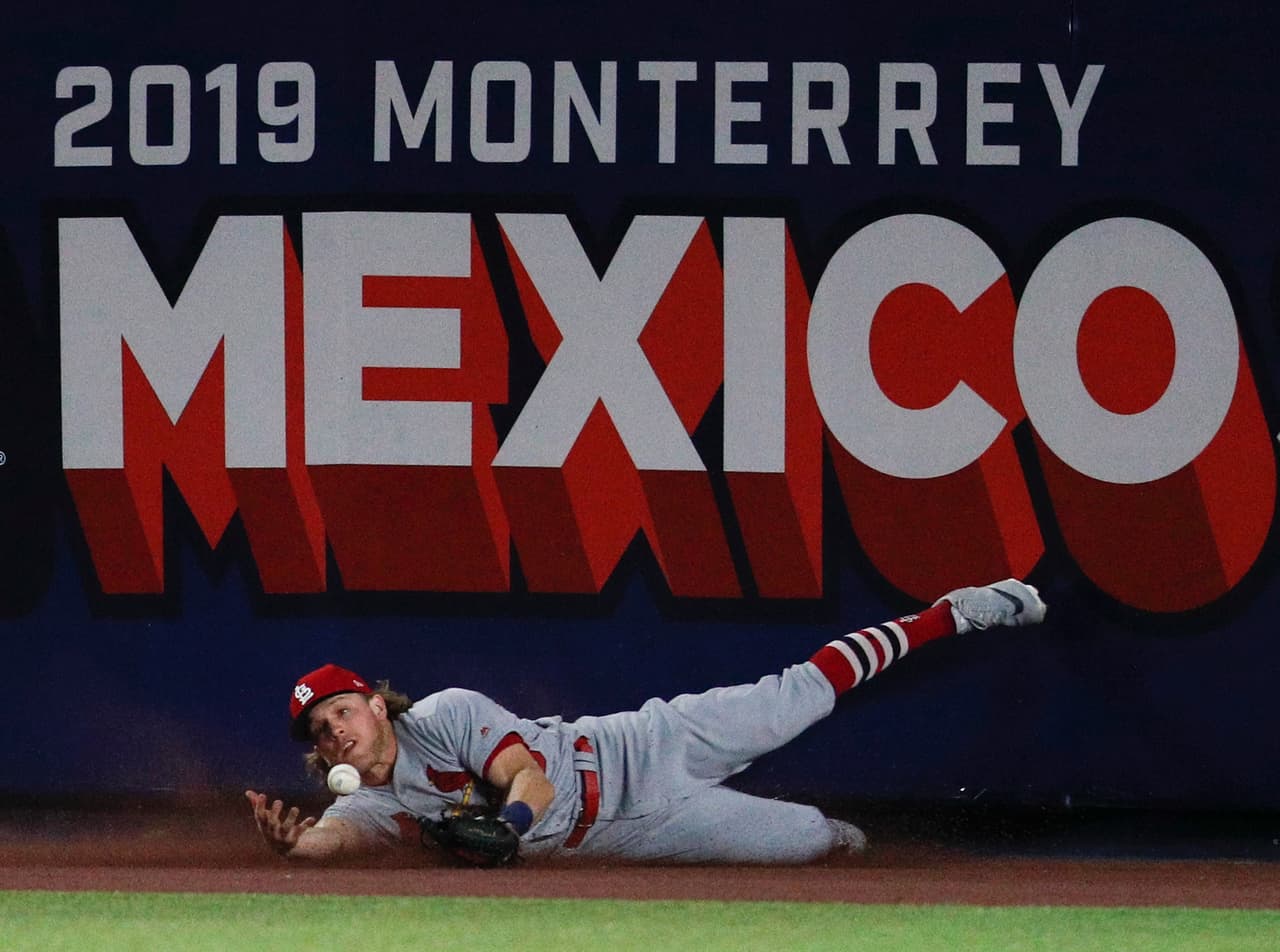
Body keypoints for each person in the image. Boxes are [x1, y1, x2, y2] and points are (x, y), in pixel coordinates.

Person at [246, 578, 1047, 865]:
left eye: (340, 710)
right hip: (634, 835)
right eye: (319, 730)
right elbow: (333, 840)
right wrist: (296, 846)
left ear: (375, 703)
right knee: (810, 840)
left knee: (798, 695)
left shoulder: (446, 714)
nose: (334, 731)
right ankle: (839, 840)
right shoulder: (367, 802)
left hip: (637, 750)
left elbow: (528, 777)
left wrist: (509, 826)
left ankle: (949, 614)